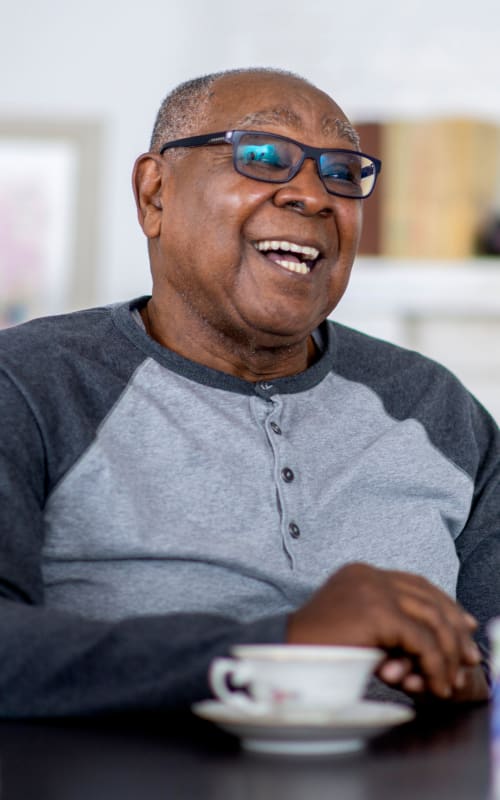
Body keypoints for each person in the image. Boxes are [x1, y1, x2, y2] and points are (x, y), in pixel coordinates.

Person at [0, 67, 498, 717]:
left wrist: (472, 673)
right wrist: (277, 650)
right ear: (155, 194)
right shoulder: (31, 382)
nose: (314, 196)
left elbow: (491, 648)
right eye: (262, 156)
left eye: (343, 173)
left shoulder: (437, 407)